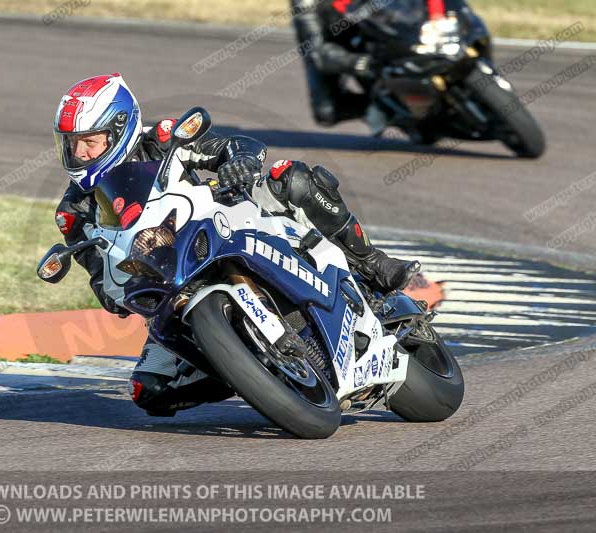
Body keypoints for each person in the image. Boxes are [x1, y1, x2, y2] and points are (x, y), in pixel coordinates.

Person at [52, 73, 419, 416]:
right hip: (170, 283)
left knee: (292, 179)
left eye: (89, 141)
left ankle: (371, 262)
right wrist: (117, 288)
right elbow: (101, 280)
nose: (80, 153)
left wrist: (239, 163)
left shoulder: (163, 141)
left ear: (120, 130)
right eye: (72, 143)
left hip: (226, 221)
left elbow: (240, 146)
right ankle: (246, 370)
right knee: (148, 391)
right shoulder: (75, 210)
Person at [292, 0, 448, 126]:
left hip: (382, 22)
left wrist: (436, 14)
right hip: (343, 49)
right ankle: (390, 110)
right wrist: (363, 63)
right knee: (326, 111)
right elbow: (317, 53)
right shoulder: (305, 4)